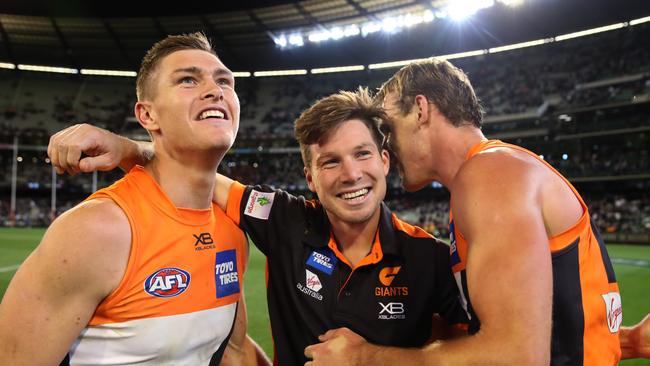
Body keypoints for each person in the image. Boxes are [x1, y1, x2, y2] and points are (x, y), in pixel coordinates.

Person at [46, 88, 468, 365]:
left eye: (362, 154)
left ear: (385, 161)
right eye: (330, 161)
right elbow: (202, 180)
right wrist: (128, 148)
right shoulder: (283, 217)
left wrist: (371, 356)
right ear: (310, 178)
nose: (351, 174)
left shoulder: (428, 257)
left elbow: (472, 353)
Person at [303, 58, 650, 365]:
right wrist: (627, 340)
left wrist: (366, 358)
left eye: (389, 128)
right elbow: (554, 324)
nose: (386, 145)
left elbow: (518, 356)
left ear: (421, 109)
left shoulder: (489, 176)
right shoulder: (495, 172)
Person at [0, 32, 268, 365]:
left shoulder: (231, 228)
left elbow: (233, 349)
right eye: (188, 80)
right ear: (147, 115)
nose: (216, 90)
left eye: (225, 82)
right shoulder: (97, 230)